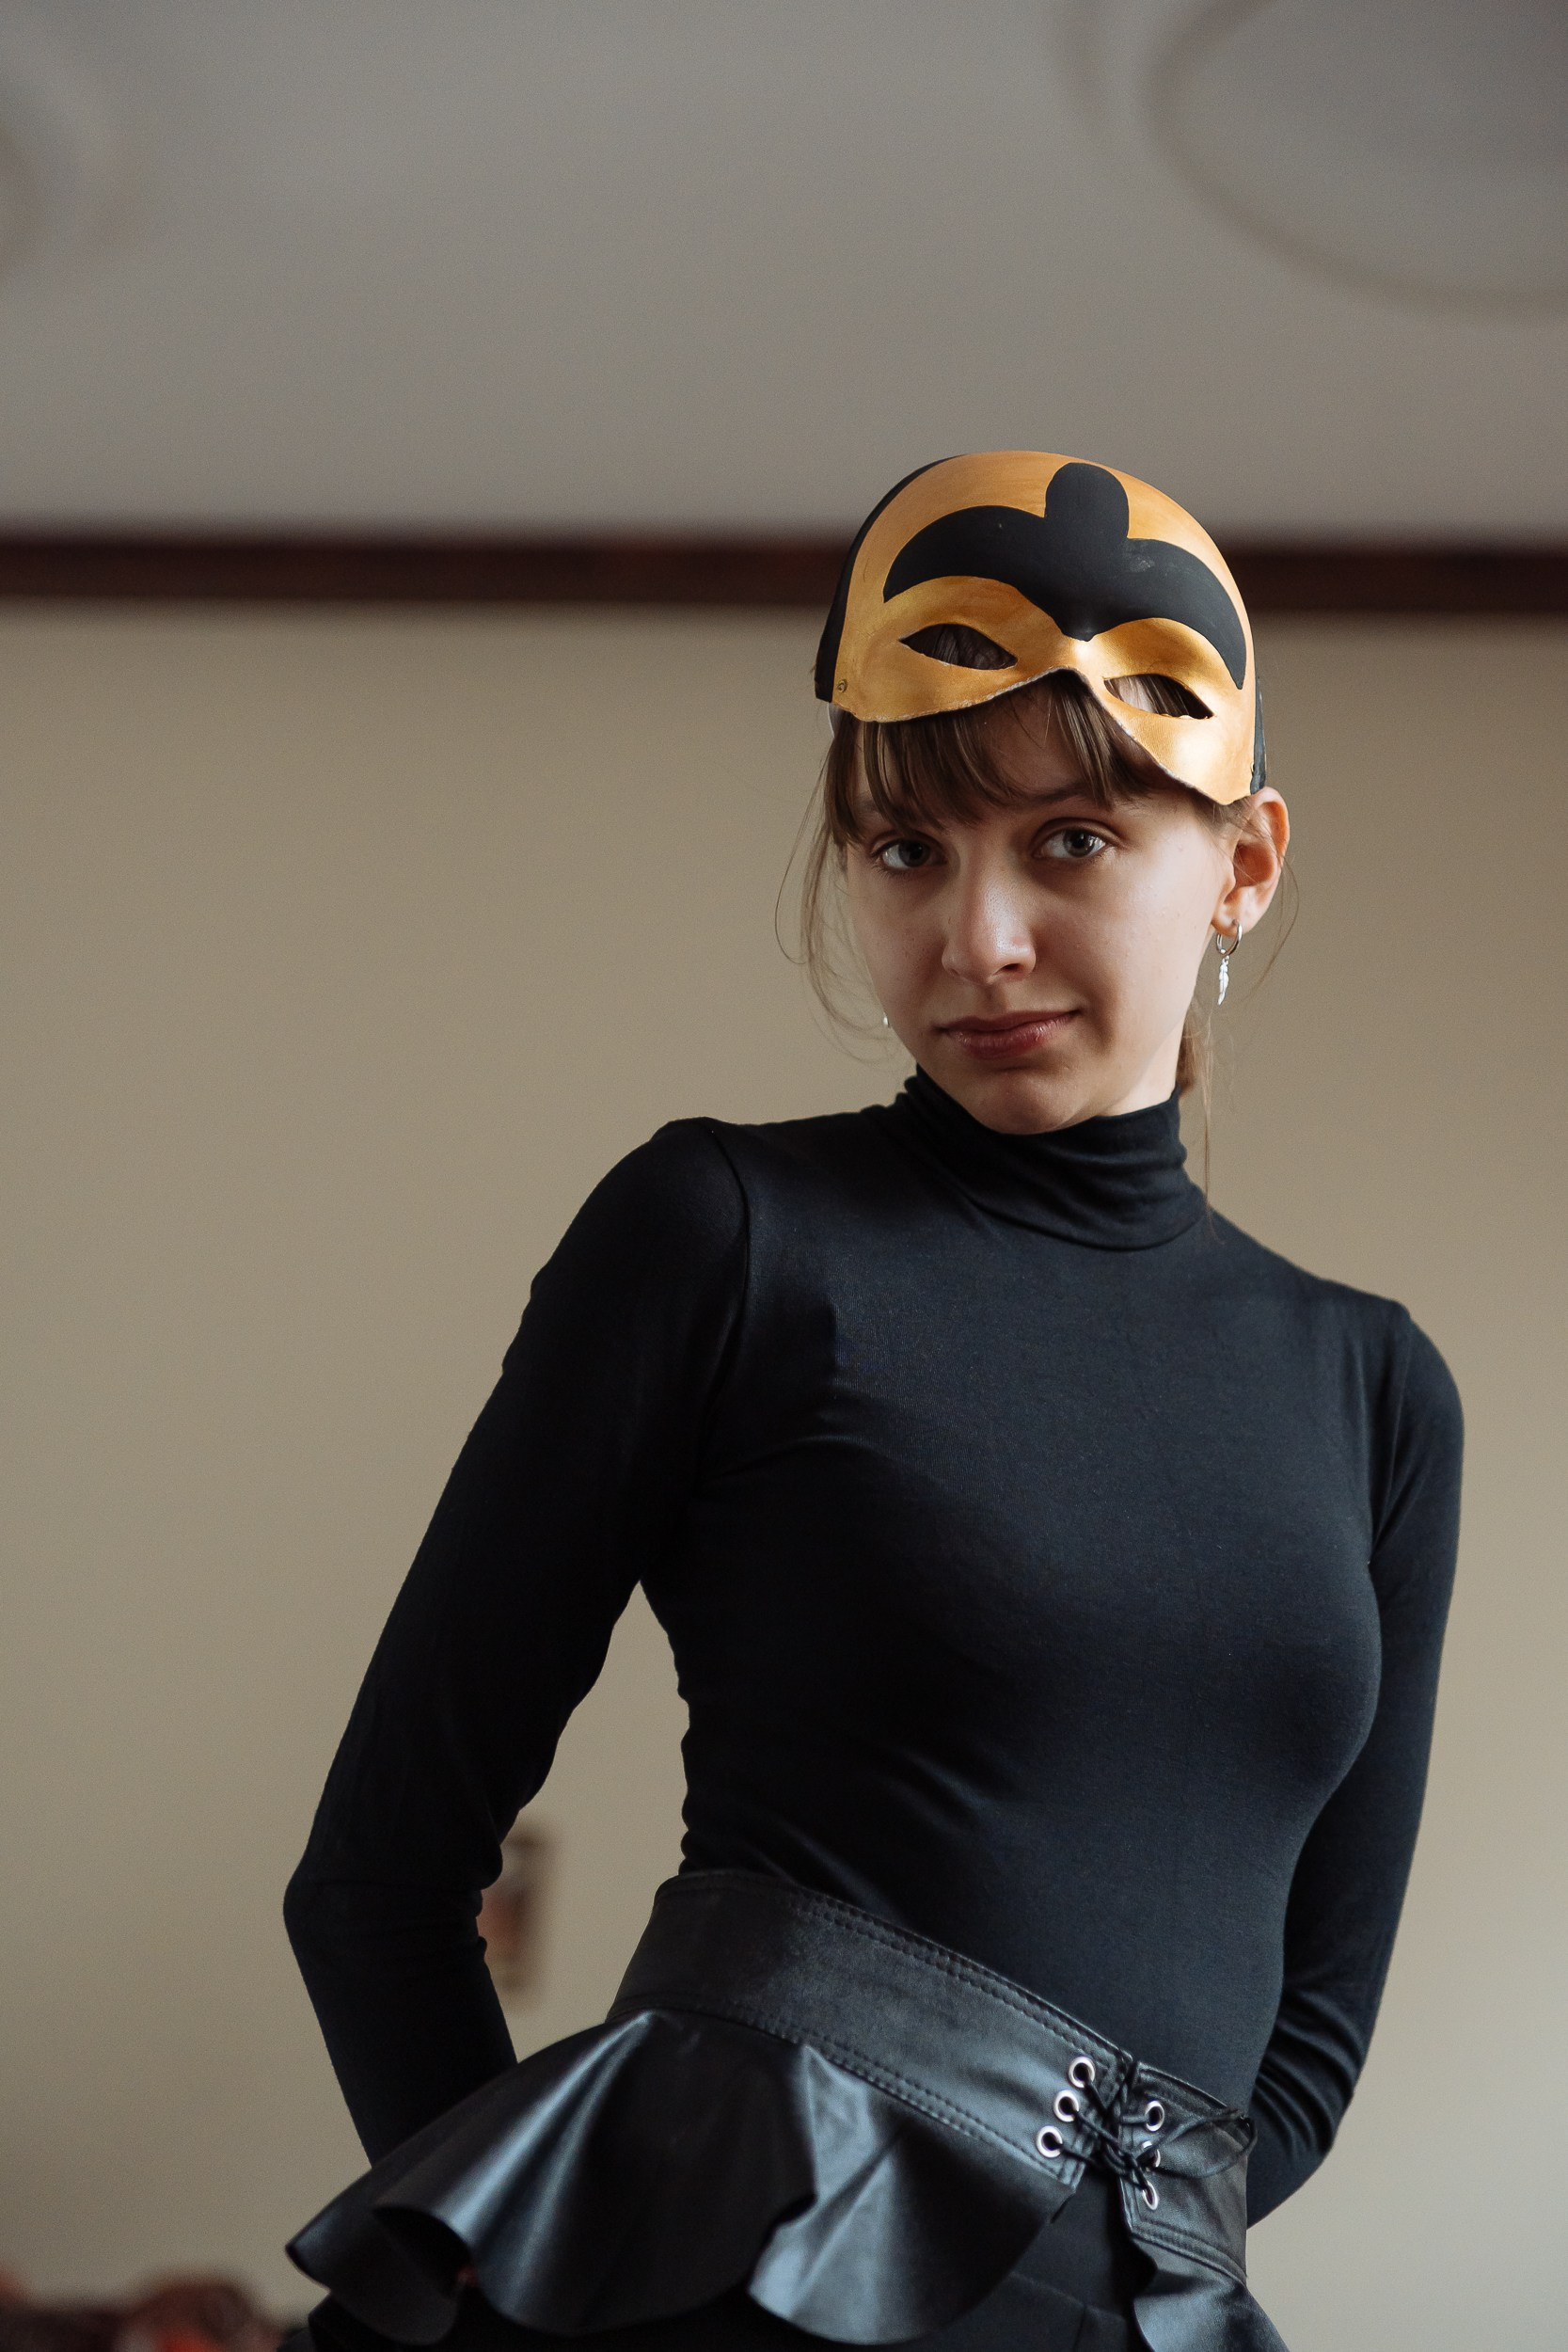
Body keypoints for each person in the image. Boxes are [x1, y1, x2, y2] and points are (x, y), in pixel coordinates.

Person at [282, 453, 1463, 2352]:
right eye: (908, 849)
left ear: (1241, 866)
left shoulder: (1378, 1389)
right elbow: (378, 1877)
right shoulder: (725, 1233)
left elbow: (1305, 2049)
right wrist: (514, 2298)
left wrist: (1073, 2286)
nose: (975, 938)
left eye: (1070, 840)